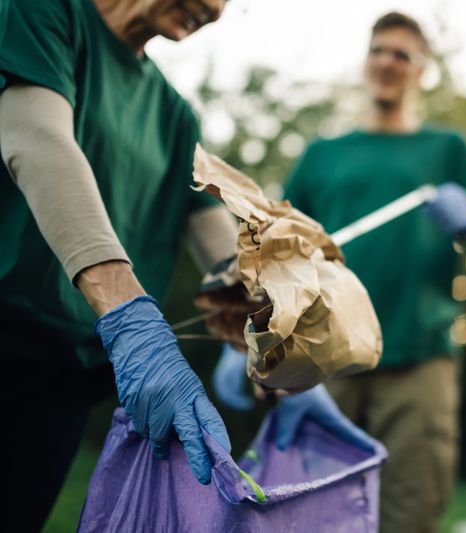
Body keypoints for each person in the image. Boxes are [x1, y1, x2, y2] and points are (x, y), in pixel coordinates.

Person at [0, 0, 367, 529]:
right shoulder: (46, 13)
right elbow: (38, 143)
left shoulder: (173, 115)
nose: (215, 8)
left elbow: (224, 250)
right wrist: (132, 319)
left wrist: (284, 358)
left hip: (59, 379)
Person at [281, 12, 466, 533]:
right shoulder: (321, 156)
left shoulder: (448, 149)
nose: (387, 61)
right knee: (315, 512)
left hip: (418, 358)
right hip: (326, 360)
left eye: (402, 54)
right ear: (365, 61)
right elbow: (280, 252)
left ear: (421, 71)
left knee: (411, 510)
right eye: (379, 50)